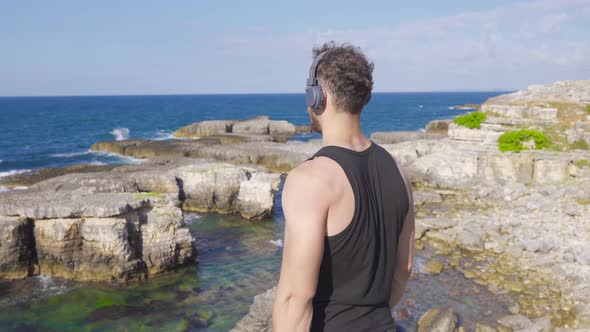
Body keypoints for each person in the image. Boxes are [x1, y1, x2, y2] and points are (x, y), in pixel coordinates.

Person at [272, 41, 416, 332]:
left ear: (317, 97)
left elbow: (294, 298)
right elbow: (404, 269)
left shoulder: (310, 180)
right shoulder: (399, 172)